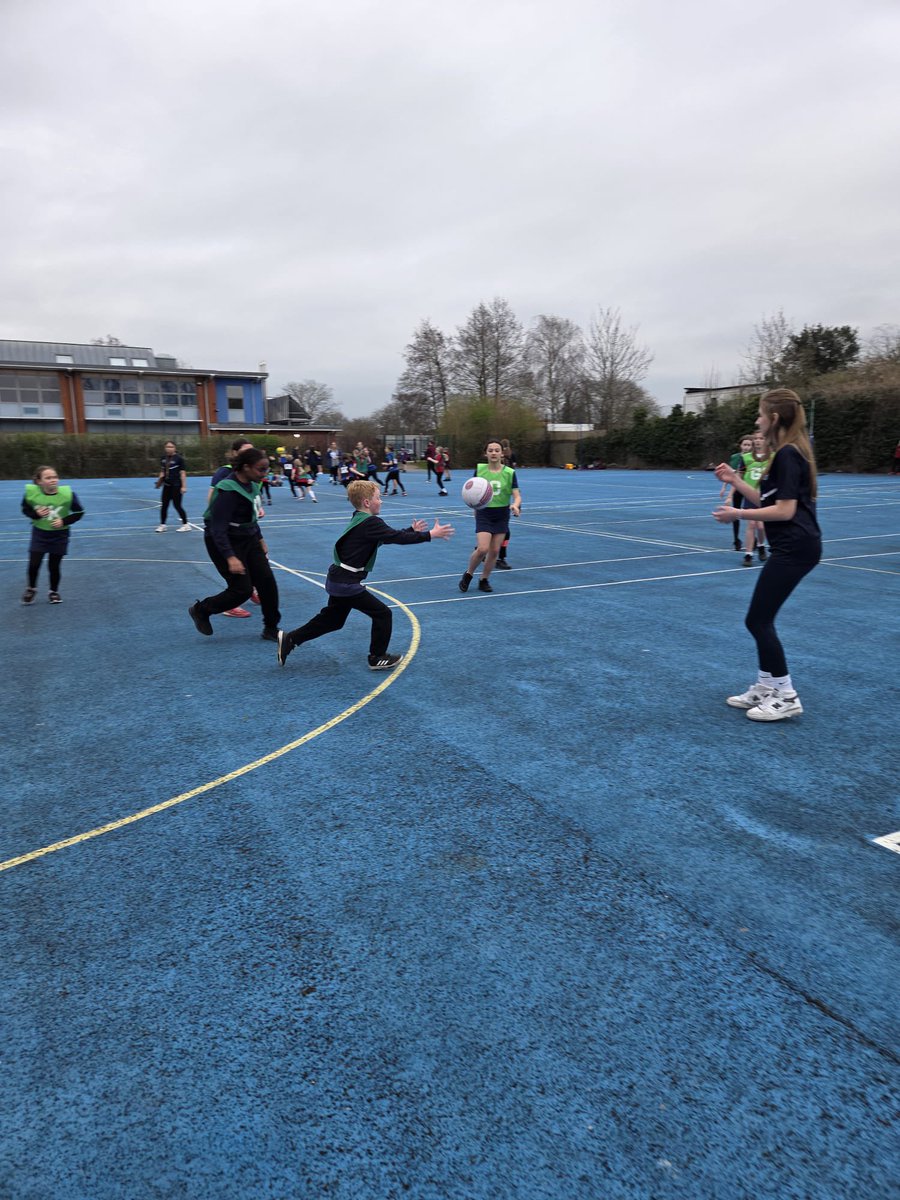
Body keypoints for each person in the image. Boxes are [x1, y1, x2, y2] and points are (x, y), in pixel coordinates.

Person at [713, 388, 822, 722]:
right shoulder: (787, 453)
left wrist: (738, 515)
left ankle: (786, 694)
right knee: (758, 619)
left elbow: (786, 511)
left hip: (796, 547)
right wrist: (734, 480)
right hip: (794, 546)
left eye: (760, 416)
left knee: (758, 620)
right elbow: (765, 499)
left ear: (774, 419)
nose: (757, 422)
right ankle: (765, 685)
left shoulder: (789, 454)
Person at [276, 480, 453, 671]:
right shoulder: (371, 522)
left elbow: (387, 536)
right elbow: (396, 537)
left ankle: (290, 639)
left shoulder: (360, 518)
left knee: (333, 620)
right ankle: (377, 657)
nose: (381, 501)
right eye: (378, 498)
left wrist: (411, 531)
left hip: (339, 579)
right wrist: (430, 534)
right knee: (383, 613)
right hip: (346, 583)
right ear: (367, 502)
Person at [188, 447, 281, 642]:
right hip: (223, 540)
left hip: (248, 538)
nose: (265, 474)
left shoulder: (252, 485)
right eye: (261, 469)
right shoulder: (228, 490)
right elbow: (217, 528)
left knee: (267, 583)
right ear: (246, 467)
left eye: (266, 469)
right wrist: (230, 557)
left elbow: (251, 518)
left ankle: (271, 628)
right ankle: (201, 610)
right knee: (242, 590)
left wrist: (260, 539)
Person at [458, 439, 522, 594]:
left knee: (494, 551)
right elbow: (471, 492)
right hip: (484, 513)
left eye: (497, 450)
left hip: (502, 514)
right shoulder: (480, 470)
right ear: (485, 453)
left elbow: (517, 495)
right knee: (483, 548)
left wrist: (515, 505)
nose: (494, 453)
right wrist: (474, 507)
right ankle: (468, 574)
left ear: (502, 453)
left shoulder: (509, 473)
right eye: (490, 450)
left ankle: (484, 579)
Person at [208, 438, 259, 618]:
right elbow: (212, 499)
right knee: (235, 569)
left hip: (246, 528)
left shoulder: (252, 473)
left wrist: (256, 508)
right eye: (245, 451)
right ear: (235, 453)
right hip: (229, 531)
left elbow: (251, 497)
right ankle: (230, 602)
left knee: (256, 562)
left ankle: (249, 589)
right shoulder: (224, 473)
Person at [21, 465, 85, 604]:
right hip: (40, 533)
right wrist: (35, 514)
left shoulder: (68, 494)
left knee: (54, 566)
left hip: (60, 535)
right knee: (34, 564)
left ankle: (53, 592)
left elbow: (79, 512)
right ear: (39, 481)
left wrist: (64, 520)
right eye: (48, 478)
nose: (53, 480)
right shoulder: (32, 494)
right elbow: (25, 509)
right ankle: (31, 588)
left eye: (55, 477)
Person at [738, 434, 771, 566]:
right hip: (751, 495)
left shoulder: (772, 457)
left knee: (761, 525)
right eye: (756, 438)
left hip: (766, 496)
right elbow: (738, 477)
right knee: (751, 524)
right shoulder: (745, 458)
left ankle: (761, 545)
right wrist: (731, 494)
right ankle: (748, 554)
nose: (758, 440)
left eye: (761, 438)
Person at [720, 435, 753, 551]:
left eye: (749, 445)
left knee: (752, 515)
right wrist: (724, 487)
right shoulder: (735, 458)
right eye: (745, 444)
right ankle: (736, 539)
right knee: (735, 514)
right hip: (737, 488)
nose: (746, 447)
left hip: (750, 489)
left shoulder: (754, 458)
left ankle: (754, 540)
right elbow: (731, 475)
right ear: (740, 446)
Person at [155, 440, 190, 532]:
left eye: (171, 447)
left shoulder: (179, 459)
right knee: (164, 505)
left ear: (174, 448)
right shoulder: (163, 458)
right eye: (167, 447)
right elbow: (162, 471)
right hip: (167, 485)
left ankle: (186, 524)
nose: (169, 448)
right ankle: (162, 525)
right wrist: (159, 482)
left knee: (177, 505)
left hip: (176, 485)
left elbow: (183, 473)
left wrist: (184, 486)